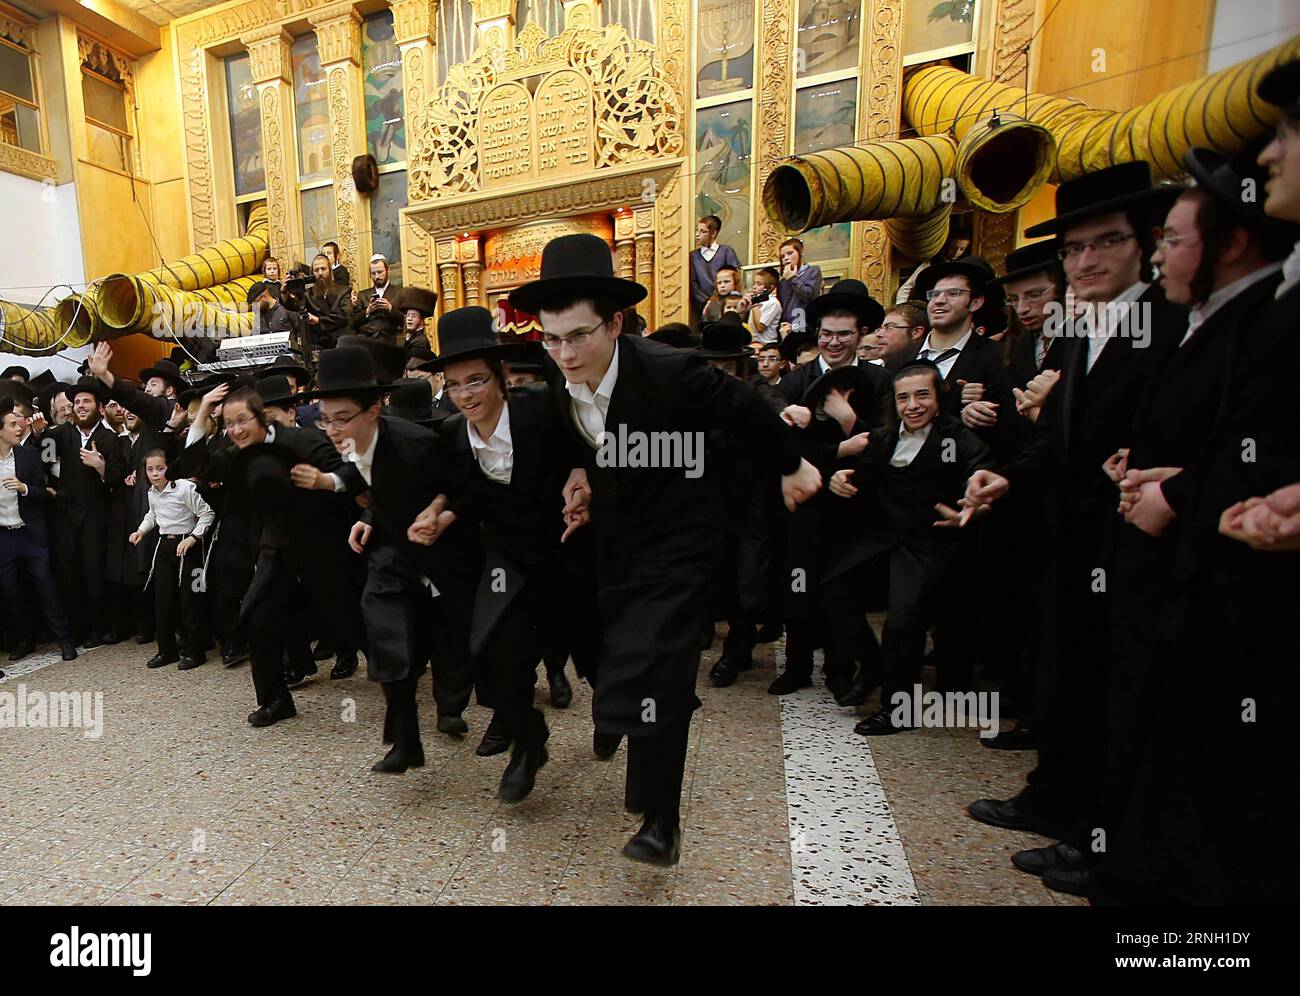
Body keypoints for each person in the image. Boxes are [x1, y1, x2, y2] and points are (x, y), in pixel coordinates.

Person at [509, 233, 821, 865]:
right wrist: (579, 476)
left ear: (616, 323)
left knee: (660, 663)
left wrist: (792, 466)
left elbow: (748, 408)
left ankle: (661, 820)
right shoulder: (554, 370)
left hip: (683, 535)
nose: (564, 353)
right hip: (616, 538)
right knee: (621, 658)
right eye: (551, 338)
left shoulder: (668, 372)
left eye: (578, 336)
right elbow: (573, 433)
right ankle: (642, 774)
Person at [967, 161, 1186, 865]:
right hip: (1066, 536)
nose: (1085, 260)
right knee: (1065, 669)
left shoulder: (1168, 323)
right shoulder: (1079, 330)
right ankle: (1053, 794)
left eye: (1105, 242)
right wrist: (1003, 476)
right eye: (1073, 248)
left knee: (1116, 689)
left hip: (1132, 540)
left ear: (1146, 242)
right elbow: (1055, 439)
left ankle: (1100, 836)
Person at [412, 309, 599, 797]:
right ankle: (528, 742)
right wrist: (439, 514)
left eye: (475, 380)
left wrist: (583, 479)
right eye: (454, 385)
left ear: (500, 378)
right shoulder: (453, 434)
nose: (466, 394)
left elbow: (591, 447)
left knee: (597, 652)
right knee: (494, 653)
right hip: (507, 559)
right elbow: (461, 491)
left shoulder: (543, 410)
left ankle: (614, 712)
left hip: (567, 549)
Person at [316, 345, 480, 768]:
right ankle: (406, 742)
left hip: (446, 550)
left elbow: (464, 488)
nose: (332, 430)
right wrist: (370, 515)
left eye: (342, 418)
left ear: (374, 410)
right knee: (386, 635)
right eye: (325, 418)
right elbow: (378, 485)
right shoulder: (349, 442)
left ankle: (483, 720)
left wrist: (441, 515)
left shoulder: (418, 444)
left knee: (454, 641)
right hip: (392, 549)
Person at [822, 360, 992, 734]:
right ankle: (871, 661)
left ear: (938, 398)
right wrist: (841, 479)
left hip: (930, 541)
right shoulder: (883, 438)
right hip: (884, 537)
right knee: (833, 585)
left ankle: (897, 709)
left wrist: (973, 503)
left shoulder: (956, 437)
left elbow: (980, 473)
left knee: (903, 617)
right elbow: (863, 475)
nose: (912, 405)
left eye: (921, 395)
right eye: (904, 398)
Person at [37, 377, 127, 648]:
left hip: (96, 516)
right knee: (68, 572)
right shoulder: (62, 434)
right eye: (77, 402)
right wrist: (42, 434)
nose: (80, 406)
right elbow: (46, 462)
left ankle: (98, 627)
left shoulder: (109, 439)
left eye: (86, 401)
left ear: (99, 407)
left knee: (94, 572)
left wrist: (100, 467)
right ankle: (76, 628)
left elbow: (118, 477)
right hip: (65, 514)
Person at [0, 397, 77, 663]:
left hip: (30, 533)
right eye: (12, 425)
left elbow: (45, 494)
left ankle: (64, 638)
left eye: (18, 423)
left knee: (46, 584)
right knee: (10, 590)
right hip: (4, 536)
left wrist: (24, 489)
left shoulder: (29, 457)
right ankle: (25, 639)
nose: (19, 428)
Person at [130, 448, 215, 671]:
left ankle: (195, 651)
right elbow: (153, 514)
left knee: (190, 600)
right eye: (150, 469)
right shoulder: (151, 492)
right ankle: (167, 650)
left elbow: (207, 514)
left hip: (188, 545)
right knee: (162, 601)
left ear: (170, 467)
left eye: (160, 468)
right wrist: (141, 531)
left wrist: (194, 538)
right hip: (164, 546)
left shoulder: (185, 488)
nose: (155, 473)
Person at [689, 214, 741, 328]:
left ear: (713, 233)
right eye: (696, 231)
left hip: (729, 302)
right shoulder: (693, 256)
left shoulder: (726, 250)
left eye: (702, 231)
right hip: (706, 304)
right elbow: (693, 282)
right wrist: (706, 300)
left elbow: (735, 274)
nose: (697, 235)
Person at [304, 252, 353, 351]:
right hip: (319, 345)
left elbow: (344, 315)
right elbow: (294, 307)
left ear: (330, 271)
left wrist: (319, 320)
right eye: (316, 270)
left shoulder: (343, 291)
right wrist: (284, 292)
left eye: (323, 269)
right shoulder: (308, 294)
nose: (320, 273)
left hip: (342, 343)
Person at [776, 237, 823, 335]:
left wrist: (792, 279)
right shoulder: (782, 282)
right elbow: (783, 305)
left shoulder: (813, 271)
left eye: (790, 253)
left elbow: (810, 295)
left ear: (800, 253)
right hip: (787, 326)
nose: (786, 258)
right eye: (782, 256)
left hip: (806, 325)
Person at [353, 254, 404, 341]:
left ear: (387, 270)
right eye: (373, 273)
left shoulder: (399, 292)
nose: (377, 276)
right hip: (367, 342)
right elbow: (353, 322)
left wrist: (390, 308)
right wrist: (367, 312)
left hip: (389, 342)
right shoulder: (362, 295)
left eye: (380, 272)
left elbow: (404, 320)